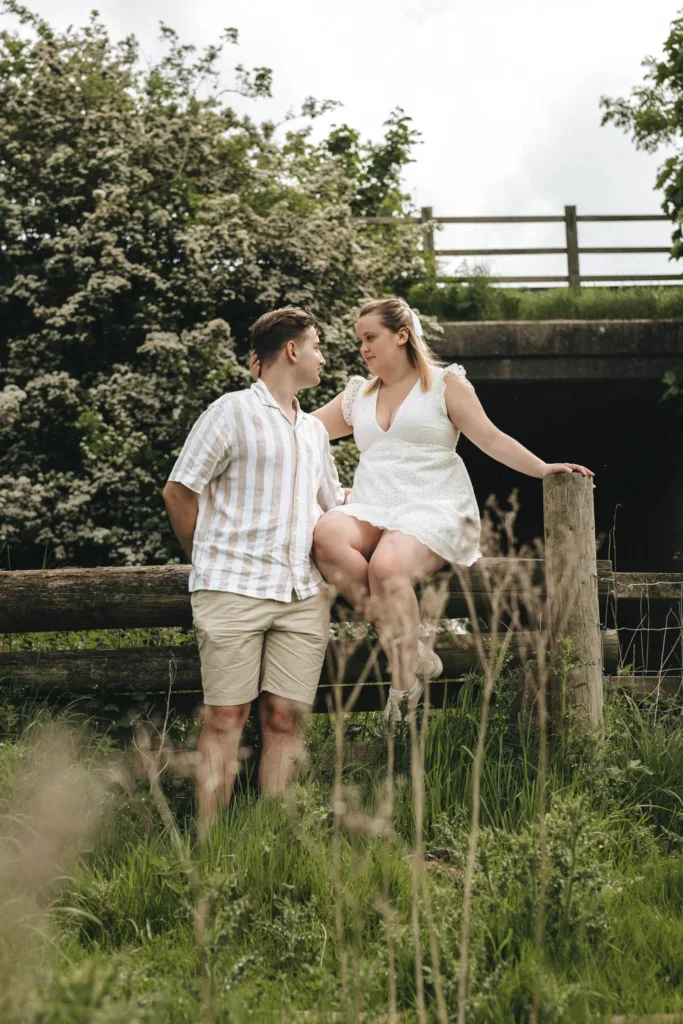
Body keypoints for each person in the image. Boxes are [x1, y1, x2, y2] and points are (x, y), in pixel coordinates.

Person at [309, 298, 594, 722]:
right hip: (374, 506)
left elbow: (491, 439)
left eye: (371, 338)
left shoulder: (444, 385)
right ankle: (414, 648)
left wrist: (542, 468)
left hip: (434, 506)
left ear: (402, 335)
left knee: (386, 568)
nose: (363, 348)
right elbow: (305, 434)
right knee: (327, 533)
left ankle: (403, 692)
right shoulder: (358, 395)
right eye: (359, 341)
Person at [162, 306, 345, 821]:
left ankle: (272, 840)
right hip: (231, 591)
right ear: (292, 350)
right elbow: (178, 491)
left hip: (301, 596)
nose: (322, 358)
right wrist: (206, 558)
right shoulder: (230, 411)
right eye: (316, 347)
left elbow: (337, 506)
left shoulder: (312, 431)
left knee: (286, 720)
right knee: (225, 717)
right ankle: (210, 843)